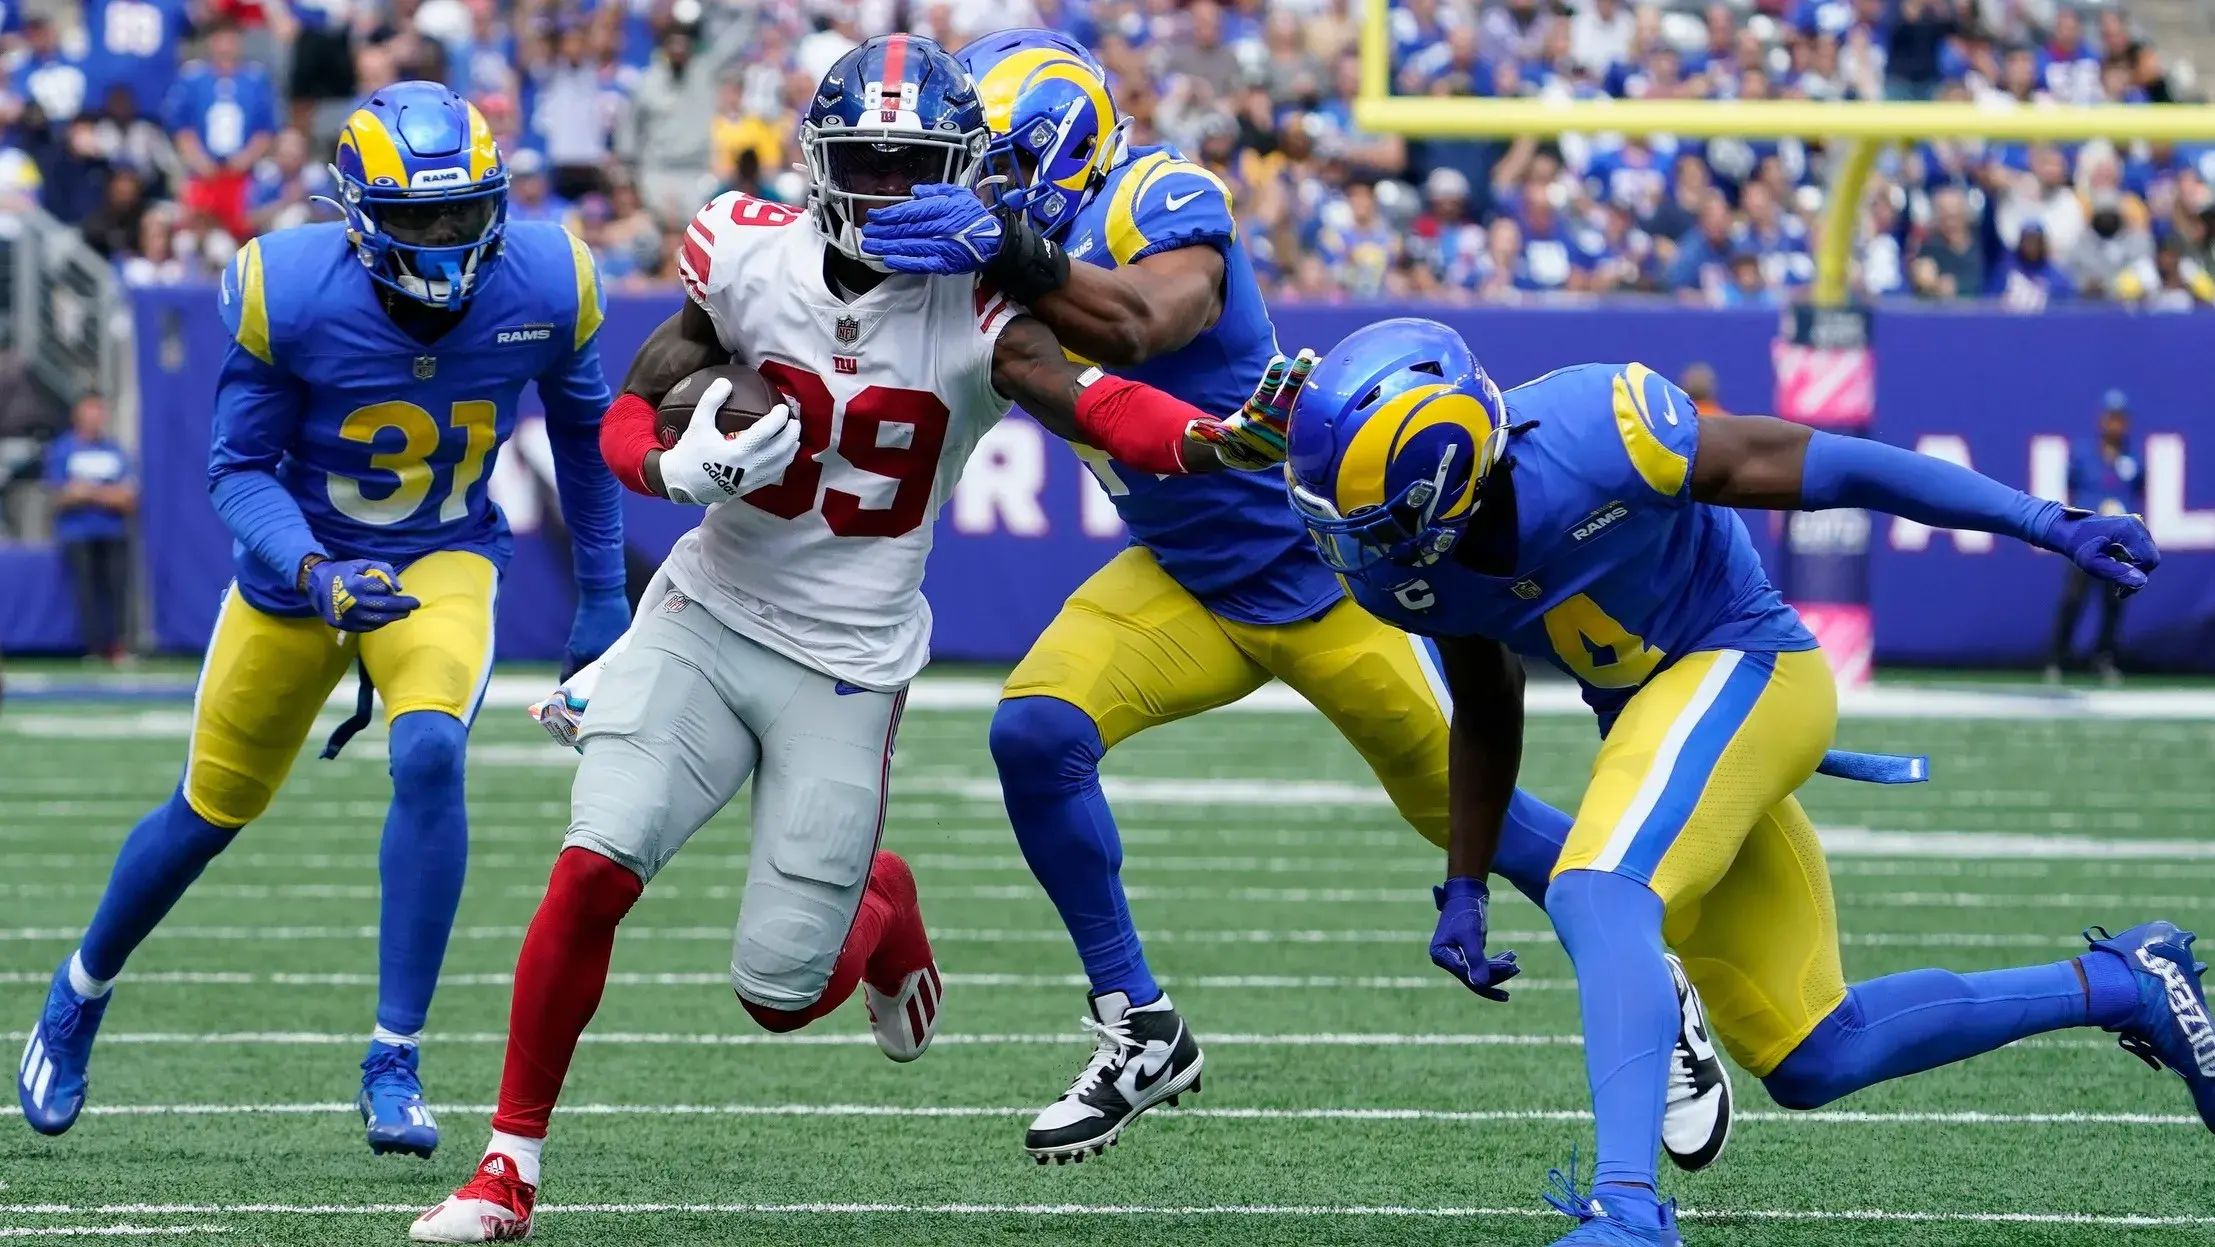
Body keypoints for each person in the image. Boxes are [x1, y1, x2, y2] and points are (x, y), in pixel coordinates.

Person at [410, 34, 1297, 1243]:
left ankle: (886, 908)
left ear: (960, 172)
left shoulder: (981, 306)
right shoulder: (742, 247)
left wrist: (1204, 441)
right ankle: (506, 1168)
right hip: (707, 614)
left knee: (779, 994)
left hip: (846, 660)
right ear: (819, 160)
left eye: (912, 165)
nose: (885, 189)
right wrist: (672, 465)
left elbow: (1096, 399)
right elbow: (632, 401)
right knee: (596, 859)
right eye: (865, 162)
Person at [858, 28, 1732, 1171]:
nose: (972, 179)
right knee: (1032, 732)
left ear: (1051, 147)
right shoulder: (991, 246)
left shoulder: (1154, 195)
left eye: (991, 158)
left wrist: (1015, 248)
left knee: (1478, 818)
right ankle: (1139, 1025)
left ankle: (1655, 981)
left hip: (1326, 580)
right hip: (1181, 575)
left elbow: (1141, 322)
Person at [1283, 321, 2199, 1247]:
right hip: (1672, 722)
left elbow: (1837, 468)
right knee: (1815, 1052)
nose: (1353, 550)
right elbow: (1486, 698)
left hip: (1752, 667)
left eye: (1374, 522)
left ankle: (1630, 1213)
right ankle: (2126, 981)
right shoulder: (1413, 575)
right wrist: (1467, 880)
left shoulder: (1599, 432)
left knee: (1599, 891)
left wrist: (2043, 520)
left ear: (1451, 475)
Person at [15, 82, 631, 1160]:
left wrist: (602, 592)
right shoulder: (288, 289)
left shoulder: (548, 278)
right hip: (299, 564)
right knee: (208, 808)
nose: (444, 243)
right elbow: (236, 467)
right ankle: (78, 992)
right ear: (356, 217)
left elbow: (583, 441)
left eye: (461, 213)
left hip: (440, 556)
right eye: (417, 221)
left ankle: (393, 1055)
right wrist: (311, 567)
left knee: (432, 748)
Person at [2047, 389, 2144, 684]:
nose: (2115, 424)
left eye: (2120, 418)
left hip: (2118, 542)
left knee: (2114, 600)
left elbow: (2139, 491)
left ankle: (2104, 658)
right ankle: (2058, 659)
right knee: (2074, 597)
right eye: (2111, 417)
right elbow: (2071, 491)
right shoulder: (2083, 453)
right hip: (2086, 537)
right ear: (2102, 420)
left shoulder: (2134, 459)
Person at [43, 392, 137, 663]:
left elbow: (128, 497)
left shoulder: (114, 450)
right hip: (78, 534)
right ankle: (94, 648)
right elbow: (61, 493)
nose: (96, 417)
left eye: (100, 411)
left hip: (113, 532)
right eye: (90, 410)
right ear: (78, 415)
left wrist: (88, 491)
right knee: (86, 592)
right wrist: (105, 493)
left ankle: (119, 646)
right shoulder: (63, 449)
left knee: (117, 589)